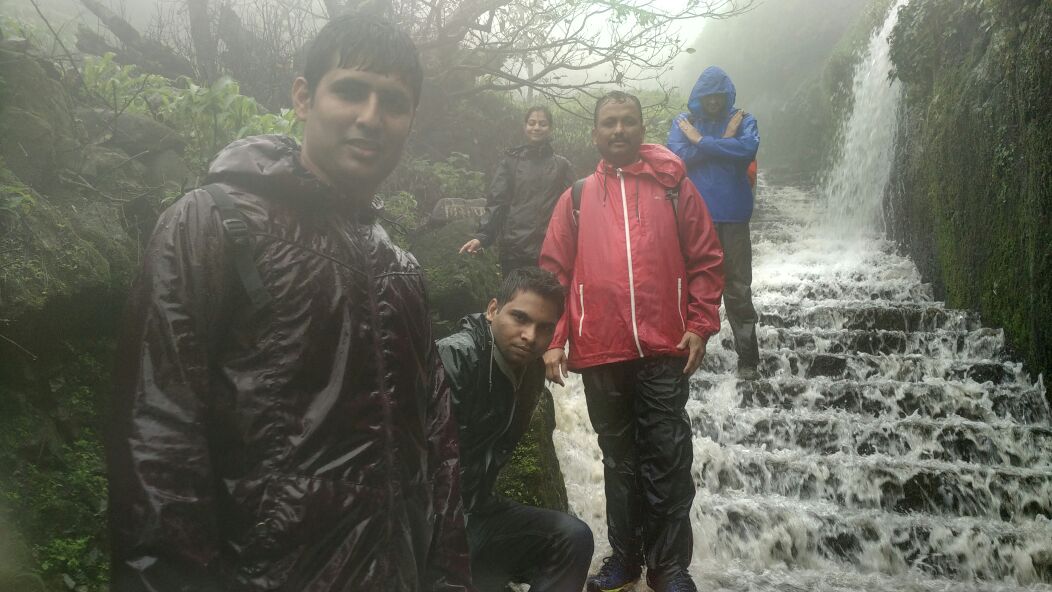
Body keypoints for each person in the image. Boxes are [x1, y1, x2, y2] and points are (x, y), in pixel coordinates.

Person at [107, 14, 473, 592]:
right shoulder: (212, 224)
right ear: (303, 97)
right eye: (351, 91)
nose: (370, 118)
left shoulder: (401, 271)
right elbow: (157, 436)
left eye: (393, 103)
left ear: (410, 122)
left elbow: (440, 455)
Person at [539, 91, 724, 592]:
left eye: (628, 122)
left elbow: (706, 258)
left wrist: (700, 322)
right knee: (619, 461)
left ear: (642, 128)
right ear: (595, 133)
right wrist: (555, 339)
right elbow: (553, 274)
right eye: (609, 123)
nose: (618, 130)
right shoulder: (575, 199)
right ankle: (625, 560)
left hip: (665, 347)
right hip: (600, 349)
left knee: (666, 457)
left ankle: (669, 567)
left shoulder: (673, 188)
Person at [437, 267, 593, 591]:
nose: (530, 336)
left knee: (572, 538)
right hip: (433, 524)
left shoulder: (531, 372)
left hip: (479, 512)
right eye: (520, 318)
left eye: (544, 327)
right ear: (493, 310)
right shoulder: (454, 358)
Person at [667, 66, 762, 380]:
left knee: (737, 289)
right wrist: (721, 140)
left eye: (718, 97)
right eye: (707, 97)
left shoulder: (743, 120)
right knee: (688, 287)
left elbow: (747, 148)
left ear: (726, 96)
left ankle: (748, 360)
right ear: (699, 97)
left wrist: (701, 142)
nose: (713, 103)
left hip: (734, 215)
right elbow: (677, 159)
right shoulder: (684, 122)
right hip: (694, 217)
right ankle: (680, 356)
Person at [459, 106, 575, 274]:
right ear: (525, 126)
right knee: (514, 298)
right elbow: (497, 203)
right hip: (514, 250)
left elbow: (572, 209)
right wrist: (483, 237)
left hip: (550, 251)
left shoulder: (562, 166)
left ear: (550, 128)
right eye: (532, 123)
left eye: (542, 124)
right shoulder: (511, 162)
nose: (536, 127)